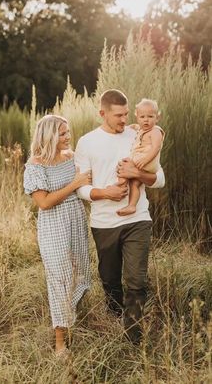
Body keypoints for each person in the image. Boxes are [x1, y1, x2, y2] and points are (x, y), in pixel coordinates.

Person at [74, 89, 165, 344]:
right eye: (118, 116)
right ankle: (114, 319)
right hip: (104, 223)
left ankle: (133, 337)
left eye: (126, 114)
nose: (124, 120)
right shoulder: (87, 142)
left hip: (137, 218)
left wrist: (136, 174)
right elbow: (80, 187)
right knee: (110, 279)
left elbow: (159, 178)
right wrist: (105, 192)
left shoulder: (139, 134)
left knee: (136, 280)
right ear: (102, 113)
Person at [23, 115, 91, 356]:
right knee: (60, 279)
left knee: (80, 272)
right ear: (49, 135)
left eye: (68, 132)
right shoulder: (35, 165)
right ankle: (60, 343)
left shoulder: (71, 157)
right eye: (62, 133)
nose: (67, 137)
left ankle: (72, 321)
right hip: (53, 226)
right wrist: (75, 183)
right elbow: (43, 202)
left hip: (76, 221)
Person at [117, 98, 165, 216]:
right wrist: (131, 127)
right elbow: (136, 127)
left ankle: (121, 184)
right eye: (142, 117)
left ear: (157, 118)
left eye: (150, 117)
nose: (146, 120)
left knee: (124, 164)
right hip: (141, 160)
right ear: (137, 117)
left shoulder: (155, 131)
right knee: (135, 183)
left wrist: (145, 159)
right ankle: (131, 205)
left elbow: (156, 148)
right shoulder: (140, 129)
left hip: (147, 161)